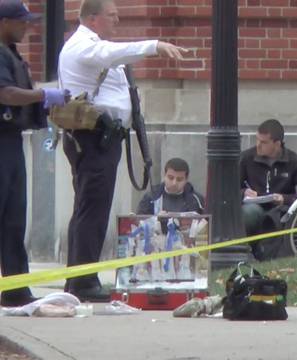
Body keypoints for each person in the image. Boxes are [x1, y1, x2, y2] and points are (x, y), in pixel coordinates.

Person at [59, 0, 188, 302]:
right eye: (112, 16)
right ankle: (83, 281)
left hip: (101, 138)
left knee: (89, 208)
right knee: (92, 209)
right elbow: (111, 54)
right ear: (93, 18)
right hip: (92, 138)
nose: (117, 21)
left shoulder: (95, 45)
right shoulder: (84, 47)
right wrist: (155, 45)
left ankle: (79, 278)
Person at [0, 0, 69, 307]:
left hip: (12, 141)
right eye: (22, 21)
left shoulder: (11, 53)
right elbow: (5, 93)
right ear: (3, 22)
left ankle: (16, 288)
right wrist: (42, 94)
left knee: (13, 219)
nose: (27, 26)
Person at [240, 119, 297, 261]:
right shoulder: (246, 159)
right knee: (249, 212)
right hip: (255, 206)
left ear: (277, 143)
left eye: (263, 142)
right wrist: (243, 192)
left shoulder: (295, 162)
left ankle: (293, 251)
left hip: (284, 209)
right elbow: (229, 187)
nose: (258, 145)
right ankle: (252, 251)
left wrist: (285, 199)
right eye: (257, 140)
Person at [137, 158, 205, 215]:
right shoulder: (151, 197)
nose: (174, 183)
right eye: (170, 178)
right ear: (164, 176)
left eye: (179, 179)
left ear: (186, 180)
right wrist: (156, 220)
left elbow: (207, 225)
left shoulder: (197, 200)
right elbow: (139, 224)